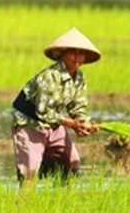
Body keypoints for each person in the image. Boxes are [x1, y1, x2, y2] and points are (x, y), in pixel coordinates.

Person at [11, 27, 102, 188]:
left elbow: (77, 106)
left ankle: (61, 202)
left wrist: (84, 123)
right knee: (29, 171)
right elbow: (43, 111)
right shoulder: (48, 76)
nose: (77, 57)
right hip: (29, 123)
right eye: (73, 52)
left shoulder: (79, 77)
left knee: (71, 163)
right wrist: (72, 124)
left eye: (81, 53)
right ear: (61, 54)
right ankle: (23, 205)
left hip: (54, 123)